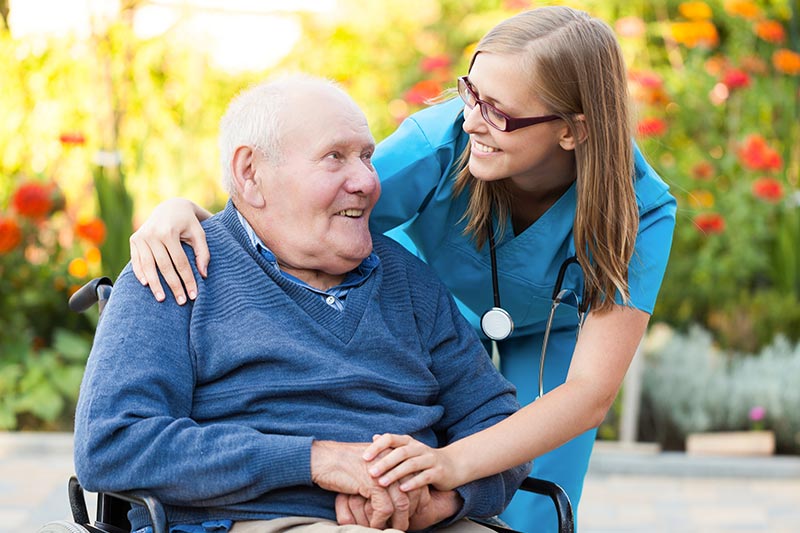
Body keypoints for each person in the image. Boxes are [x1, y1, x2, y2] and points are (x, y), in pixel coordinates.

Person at [127, 6, 676, 531]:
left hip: (553, 332)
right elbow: (292, 214)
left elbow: (588, 392)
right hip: (440, 314)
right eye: (470, 92)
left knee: (536, 494)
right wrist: (184, 211)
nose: (471, 120)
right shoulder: (438, 145)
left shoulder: (641, 211)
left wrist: (452, 470)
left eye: (499, 113)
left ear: (572, 130)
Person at [73, 75, 530, 533]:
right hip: (255, 520)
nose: (368, 181)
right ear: (251, 172)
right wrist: (314, 460)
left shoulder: (408, 280)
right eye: (335, 157)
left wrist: (445, 499)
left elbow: (498, 424)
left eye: (367, 156)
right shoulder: (172, 272)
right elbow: (113, 443)